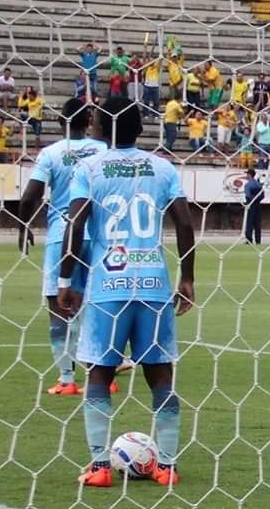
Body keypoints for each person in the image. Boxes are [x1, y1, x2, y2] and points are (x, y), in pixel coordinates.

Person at [58, 95, 196, 488]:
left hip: (107, 285)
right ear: (141, 129)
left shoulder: (90, 167)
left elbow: (77, 224)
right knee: (160, 375)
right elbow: (184, 224)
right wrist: (187, 278)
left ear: (101, 128)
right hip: (153, 283)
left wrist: (67, 281)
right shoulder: (162, 167)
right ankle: (166, 466)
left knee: (99, 372)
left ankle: (100, 466)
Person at [16, 99, 108, 396]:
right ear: (90, 121)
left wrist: (24, 225)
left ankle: (67, 379)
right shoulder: (103, 150)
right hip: (97, 236)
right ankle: (103, 371)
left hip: (62, 235)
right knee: (92, 304)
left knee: (58, 307)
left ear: (61, 122)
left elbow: (31, 195)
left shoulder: (52, 153)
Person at [243, 168, 264, 245]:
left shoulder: (248, 185)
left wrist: (251, 200)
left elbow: (248, 195)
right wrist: (257, 200)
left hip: (250, 205)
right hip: (258, 205)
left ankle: (249, 240)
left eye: (247, 174)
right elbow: (262, 195)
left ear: (249, 175)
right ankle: (258, 240)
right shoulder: (258, 184)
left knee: (249, 223)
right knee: (257, 223)